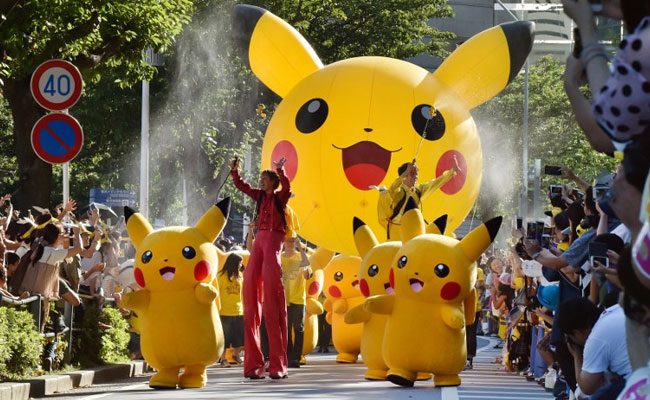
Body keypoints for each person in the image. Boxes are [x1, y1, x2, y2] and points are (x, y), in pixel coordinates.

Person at [230, 156, 291, 380]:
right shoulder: (257, 196)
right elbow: (242, 185)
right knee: (249, 291)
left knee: (272, 300)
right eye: (261, 179)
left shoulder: (280, 197)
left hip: (274, 241)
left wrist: (280, 170)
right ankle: (254, 364)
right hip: (259, 244)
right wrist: (235, 171)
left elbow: (288, 186)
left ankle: (278, 364)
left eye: (265, 179)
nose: (262, 182)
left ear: (273, 183)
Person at [558, 297, 632, 398]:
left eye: (571, 338)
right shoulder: (614, 310)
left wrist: (577, 356)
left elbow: (586, 388)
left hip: (640, 383)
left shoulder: (595, 338)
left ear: (577, 332)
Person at [379, 157, 460, 239]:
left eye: (416, 174)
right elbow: (393, 188)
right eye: (412, 174)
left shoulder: (418, 190)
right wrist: (406, 173)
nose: (415, 177)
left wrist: (452, 171)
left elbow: (434, 183)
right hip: (397, 233)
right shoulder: (398, 191)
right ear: (404, 176)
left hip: (413, 231)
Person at [281, 236, 311, 368]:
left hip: (298, 298)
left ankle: (297, 357)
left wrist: (300, 247)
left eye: (292, 240)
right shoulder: (280, 256)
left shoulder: (300, 256)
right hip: (284, 298)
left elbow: (307, 271)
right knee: (286, 329)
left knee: (298, 329)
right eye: (288, 240)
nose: (290, 243)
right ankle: (289, 356)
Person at [217, 253, 245, 367]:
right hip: (224, 311)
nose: (241, 265)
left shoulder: (240, 275)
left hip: (238, 310)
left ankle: (236, 354)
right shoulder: (220, 276)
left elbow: (242, 293)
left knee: (239, 336)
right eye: (240, 263)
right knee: (225, 337)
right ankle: (223, 359)